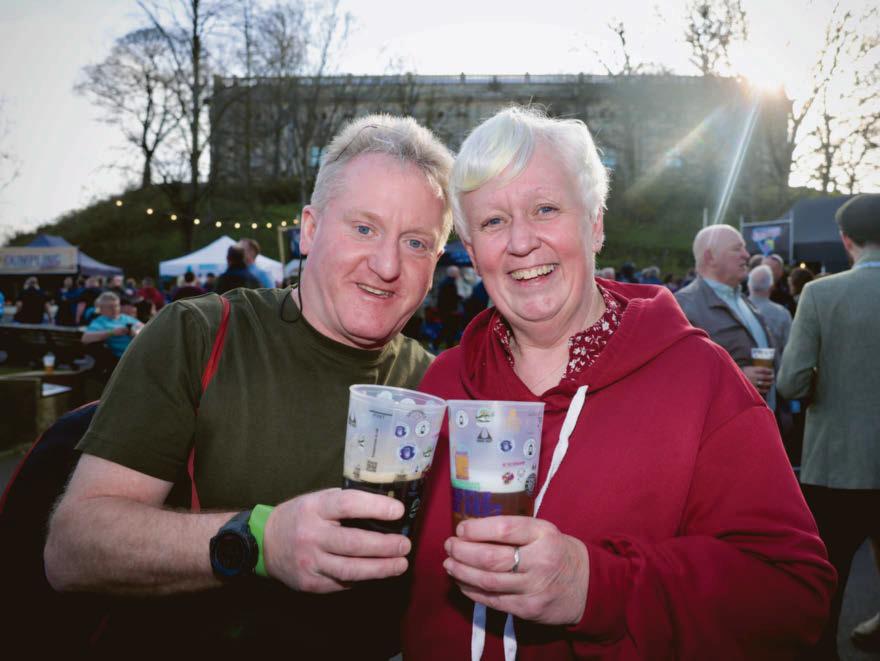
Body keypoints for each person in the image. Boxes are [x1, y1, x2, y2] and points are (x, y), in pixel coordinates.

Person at [404, 106, 833, 659]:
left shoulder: (698, 380)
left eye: (546, 208)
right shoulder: (443, 383)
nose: (520, 242)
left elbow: (794, 595)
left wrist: (597, 587)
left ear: (596, 222)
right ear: (470, 245)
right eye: (492, 222)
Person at [44, 114, 454, 657]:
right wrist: (260, 540)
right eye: (363, 228)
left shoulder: (436, 386)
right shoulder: (199, 335)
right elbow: (72, 550)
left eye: (416, 242)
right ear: (309, 230)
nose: (386, 264)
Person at [777, 193, 880, 660]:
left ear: (845, 240)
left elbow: (792, 382)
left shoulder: (821, 293)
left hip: (838, 465)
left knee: (828, 578)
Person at [675, 224, 778, 409]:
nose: (746, 255)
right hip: (724, 429)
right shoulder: (682, 306)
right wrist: (736, 379)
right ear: (710, 257)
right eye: (737, 248)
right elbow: (676, 376)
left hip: (761, 423)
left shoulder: (745, 301)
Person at [81, 291, 143, 360]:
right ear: (101, 309)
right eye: (110, 307)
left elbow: (145, 329)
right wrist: (112, 332)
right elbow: (85, 338)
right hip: (122, 358)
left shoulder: (126, 318)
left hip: (140, 351)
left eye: (116, 306)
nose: (115, 309)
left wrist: (135, 332)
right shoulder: (99, 322)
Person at [747, 264, 792, 355]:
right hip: (773, 366)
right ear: (771, 286)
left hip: (738, 367)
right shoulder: (782, 314)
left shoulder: (736, 309)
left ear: (748, 284)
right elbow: (789, 348)